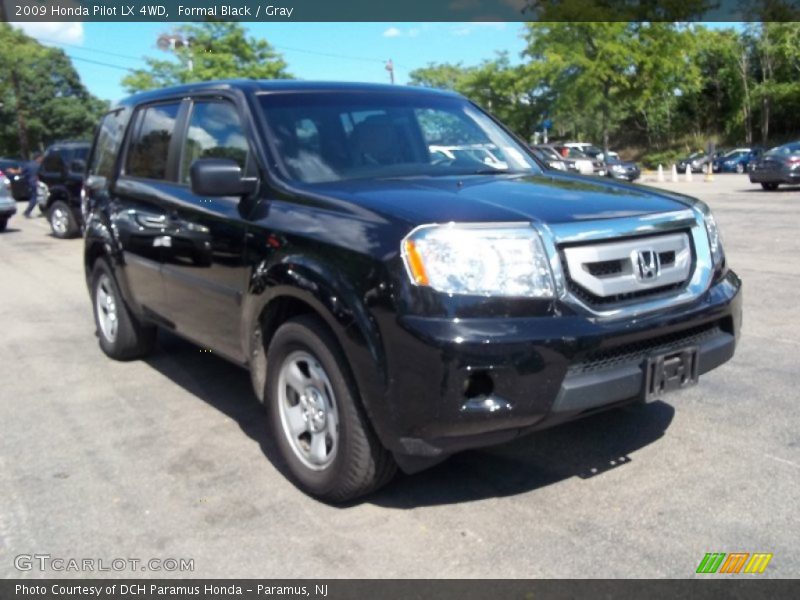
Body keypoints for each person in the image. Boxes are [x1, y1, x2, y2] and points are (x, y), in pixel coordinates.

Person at [21, 153, 43, 218]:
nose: (42, 159)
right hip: (36, 183)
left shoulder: (28, 164)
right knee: (34, 199)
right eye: (41, 158)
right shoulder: (39, 165)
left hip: (30, 183)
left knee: (35, 197)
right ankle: (27, 212)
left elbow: (22, 173)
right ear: (38, 158)